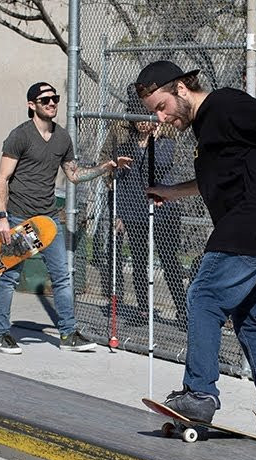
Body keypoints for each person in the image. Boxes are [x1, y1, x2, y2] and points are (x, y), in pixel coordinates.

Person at [136, 59, 256, 445]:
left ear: (181, 88)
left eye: (162, 107)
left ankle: (199, 394)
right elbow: (212, 181)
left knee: (203, 296)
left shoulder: (224, 104)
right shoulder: (208, 131)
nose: (162, 118)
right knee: (251, 318)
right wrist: (169, 192)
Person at [0, 81, 119, 354]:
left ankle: (68, 333)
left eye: (55, 98)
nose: (52, 103)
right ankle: (2, 333)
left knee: (62, 276)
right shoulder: (20, 136)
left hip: (48, 220)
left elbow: (73, 175)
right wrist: (2, 217)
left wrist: (103, 168)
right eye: (45, 99)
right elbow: (3, 178)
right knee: (11, 277)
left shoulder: (62, 138)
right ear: (31, 105)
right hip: (19, 219)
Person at [105, 85, 188, 324]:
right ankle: (143, 309)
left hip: (162, 208)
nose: (142, 123)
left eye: (146, 116)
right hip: (134, 207)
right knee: (140, 258)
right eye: (138, 117)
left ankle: (182, 309)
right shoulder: (125, 142)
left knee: (168, 257)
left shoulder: (165, 139)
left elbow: (160, 165)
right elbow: (121, 178)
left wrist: (151, 139)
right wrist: (119, 212)